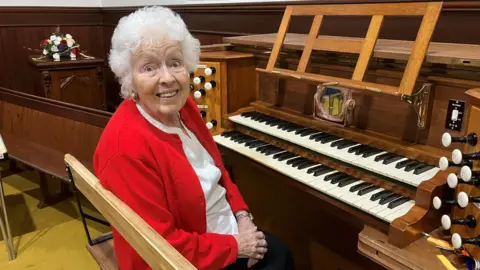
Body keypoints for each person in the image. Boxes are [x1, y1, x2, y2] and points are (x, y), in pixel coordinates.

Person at [93, 6, 294, 270]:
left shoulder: (182, 105)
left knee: (280, 252)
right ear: (129, 79)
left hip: (222, 233)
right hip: (184, 260)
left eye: (175, 63)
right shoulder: (125, 148)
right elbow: (161, 246)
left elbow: (218, 170)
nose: (167, 78)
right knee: (280, 257)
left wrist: (243, 216)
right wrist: (238, 246)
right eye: (149, 68)